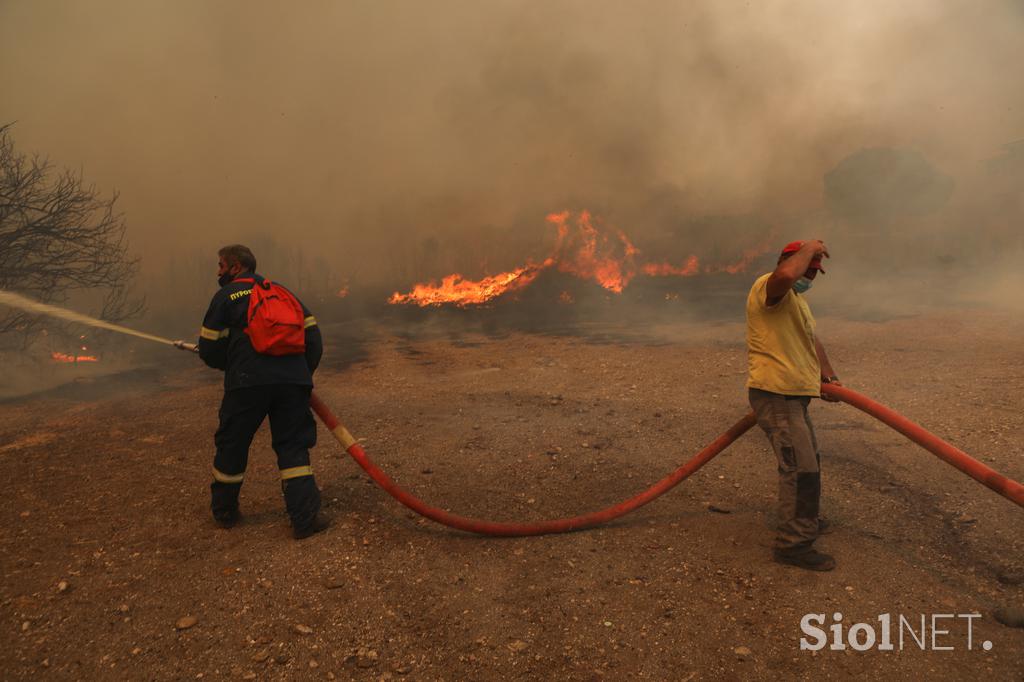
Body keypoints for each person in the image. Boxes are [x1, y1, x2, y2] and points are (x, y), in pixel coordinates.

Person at [194, 244, 329, 539]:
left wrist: (232, 364)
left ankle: (225, 513)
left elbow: (208, 348)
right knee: (293, 446)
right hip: (292, 382)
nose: (218, 272)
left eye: (221, 265)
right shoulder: (281, 291)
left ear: (236, 267)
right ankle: (305, 520)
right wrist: (301, 375)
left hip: (247, 383)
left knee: (233, 443)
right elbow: (314, 336)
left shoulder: (225, 297)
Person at [746, 239, 842, 571]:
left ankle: (805, 519)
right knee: (800, 468)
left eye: (816, 272)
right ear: (789, 261)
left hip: (794, 396)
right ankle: (793, 544)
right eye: (808, 269)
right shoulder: (769, 287)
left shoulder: (796, 302)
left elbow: (810, 339)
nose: (810, 277)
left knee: (807, 461)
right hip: (777, 395)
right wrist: (811, 246)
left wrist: (828, 377)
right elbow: (786, 275)